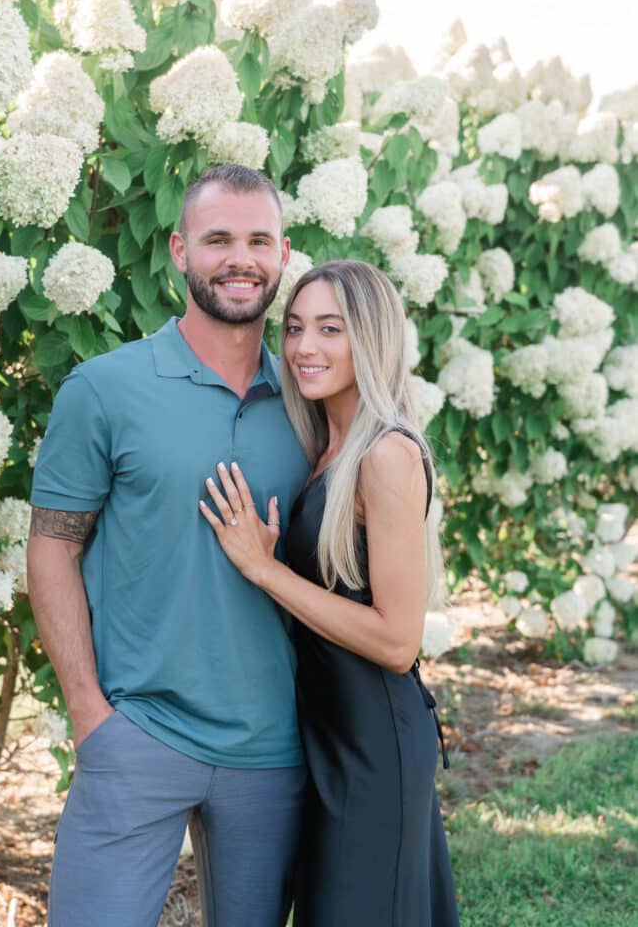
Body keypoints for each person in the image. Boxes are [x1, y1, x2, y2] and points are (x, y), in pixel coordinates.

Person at [27, 165, 311, 927]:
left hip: (272, 746)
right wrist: (89, 710)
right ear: (181, 250)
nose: (239, 258)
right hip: (138, 732)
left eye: (258, 240)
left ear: (284, 254)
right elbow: (52, 545)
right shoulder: (103, 389)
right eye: (218, 239)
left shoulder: (311, 404)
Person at [200, 258, 461, 926]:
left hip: (372, 739)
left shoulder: (386, 455)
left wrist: (267, 570)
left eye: (329, 329)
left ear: (370, 338)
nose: (303, 348)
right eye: (292, 328)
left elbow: (399, 641)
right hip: (321, 731)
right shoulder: (323, 446)